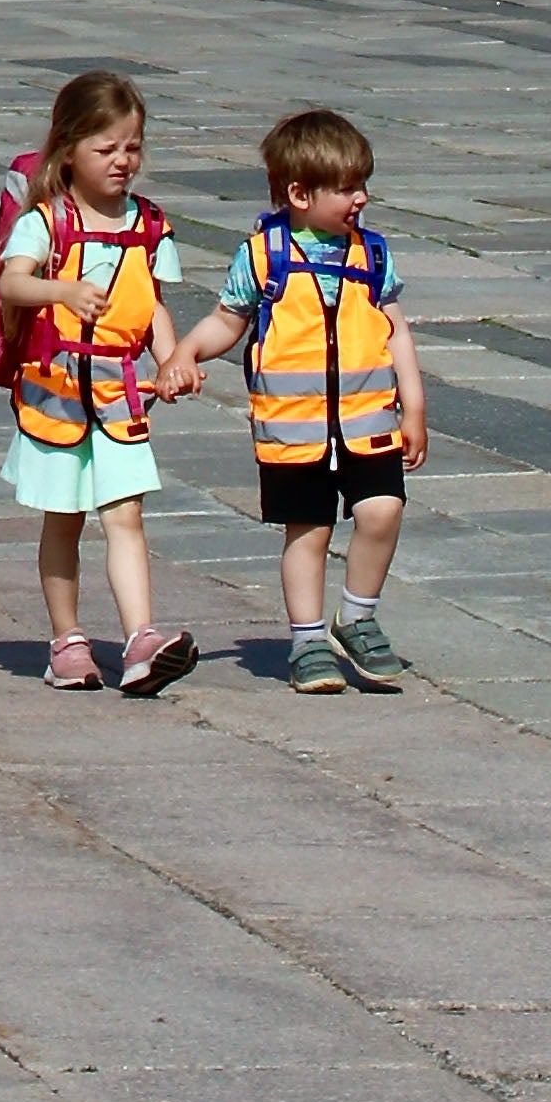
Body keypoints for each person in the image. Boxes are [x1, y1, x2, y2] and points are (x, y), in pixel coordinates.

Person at [172, 102, 428, 693]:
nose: (361, 198)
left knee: (383, 510)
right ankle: (308, 639)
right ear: (299, 194)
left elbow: (397, 333)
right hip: (294, 429)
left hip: (368, 421)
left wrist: (413, 407)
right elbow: (227, 320)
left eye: (362, 185)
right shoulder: (264, 256)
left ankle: (356, 616)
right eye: (347, 188)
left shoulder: (373, 255)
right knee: (308, 531)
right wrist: (186, 352)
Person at [0, 67, 196, 693]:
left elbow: (152, 306)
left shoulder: (149, 225)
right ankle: (67, 640)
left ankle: (141, 638)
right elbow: (11, 283)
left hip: (118, 396)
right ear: (68, 150)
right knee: (63, 519)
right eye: (106, 148)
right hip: (55, 396)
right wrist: (62, 291)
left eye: (132, 147)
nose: (122, 161)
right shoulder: (46, 220)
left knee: (125, 514)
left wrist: (172, 359)